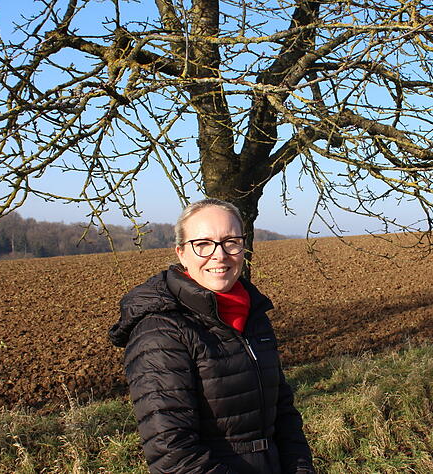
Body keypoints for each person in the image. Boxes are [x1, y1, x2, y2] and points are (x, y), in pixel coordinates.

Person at [109, 198, 314, 473]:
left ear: (244, 247)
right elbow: (172, 454)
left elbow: (284, 413)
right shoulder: (161, 331)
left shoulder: (254, 317)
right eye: (203, 244)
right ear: (181, 253)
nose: (219, 255)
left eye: (231, 241)